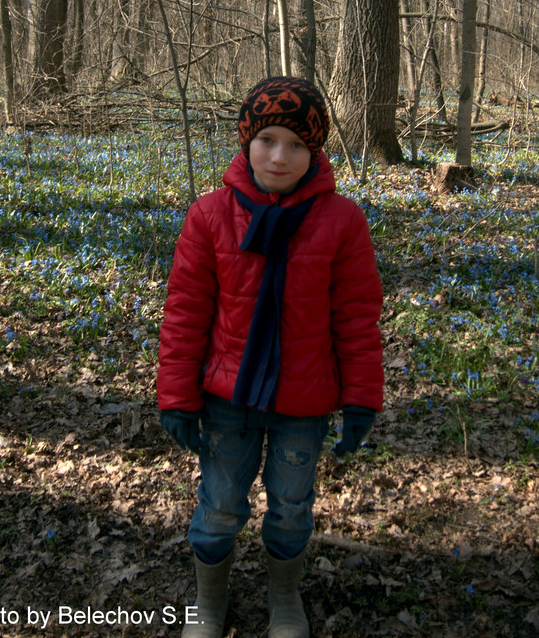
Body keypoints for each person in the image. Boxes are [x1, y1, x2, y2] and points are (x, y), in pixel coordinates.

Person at [157, 76, 384, 638]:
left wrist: (361, 398)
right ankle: (210, 603)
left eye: (298, 145)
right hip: (226, 397)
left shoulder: (342, 221)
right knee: (220, 505)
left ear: (316, 151)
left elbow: (357, 319)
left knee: (289, 506)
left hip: (303, 402)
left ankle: (285, 597)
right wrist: (177, 397)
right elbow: (186, 313)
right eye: (268, 140)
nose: (280, 156)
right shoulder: (210, 216)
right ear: (246, 141)